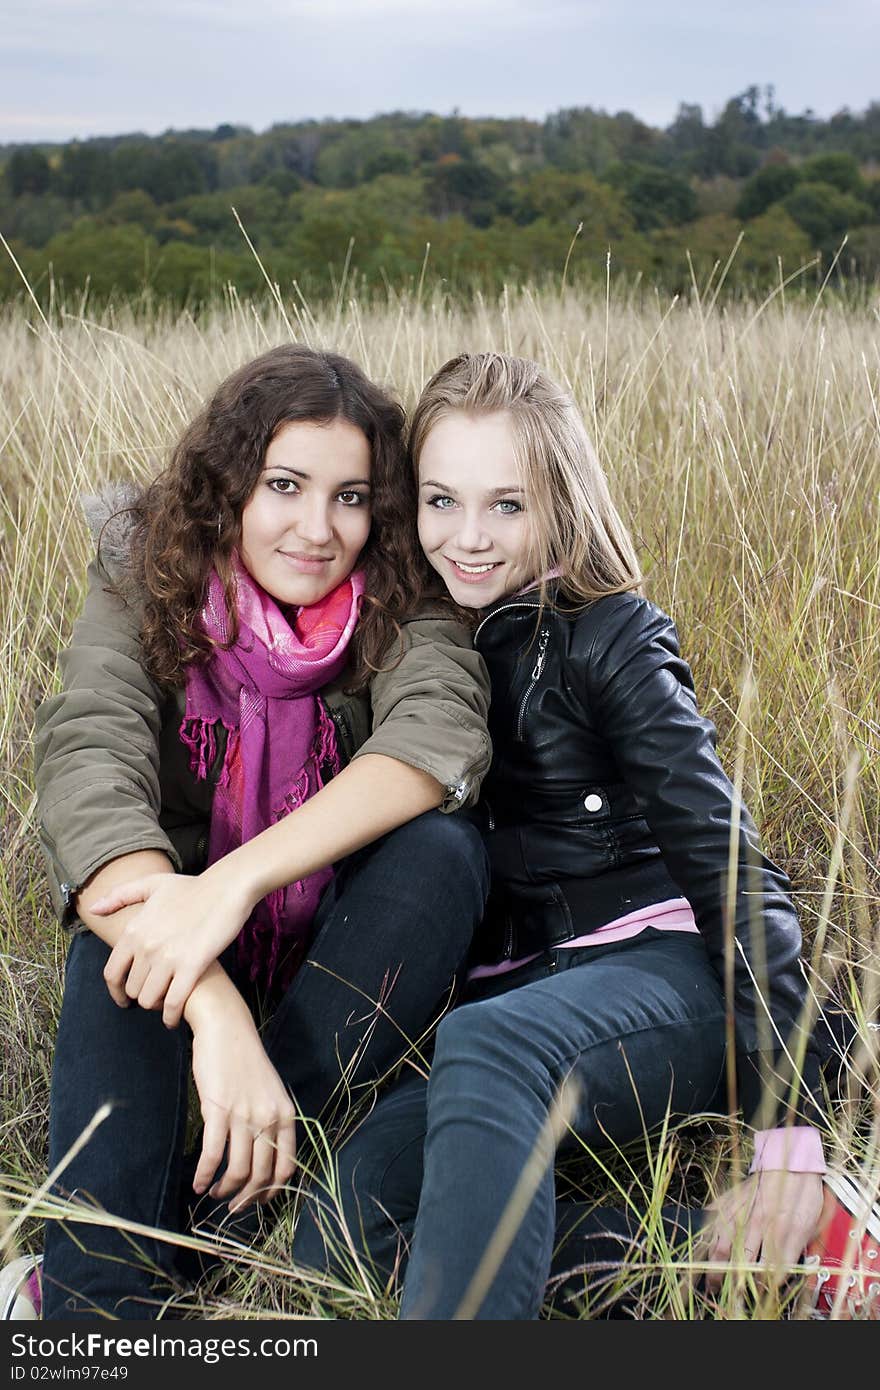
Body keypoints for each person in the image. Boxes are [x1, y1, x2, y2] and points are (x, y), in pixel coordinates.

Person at [292, 350, 878, 1320]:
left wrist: (788, 1139)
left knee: (488, 1043)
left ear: (558, 501)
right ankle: (771, 1262)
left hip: (660, 977)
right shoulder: (410, 647)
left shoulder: (609, 634)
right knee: (343, 1230)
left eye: (505, 506)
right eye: (440, 501)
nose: (468, 539)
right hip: (517, 1010)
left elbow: (732, 869)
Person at [16, 344, 492, 1320]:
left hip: (340, 947)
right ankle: (94, 1307)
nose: (317, 529)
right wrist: (218, 1009)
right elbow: (88, 765)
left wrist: (233, 883)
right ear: (230, 478)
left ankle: (207, 1228)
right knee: (120, 950)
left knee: (442, 852)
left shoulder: (400, 590)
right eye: (284, 485)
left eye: (350, 496)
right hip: (188, 945)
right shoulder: (141, 577)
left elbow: (439, 726)